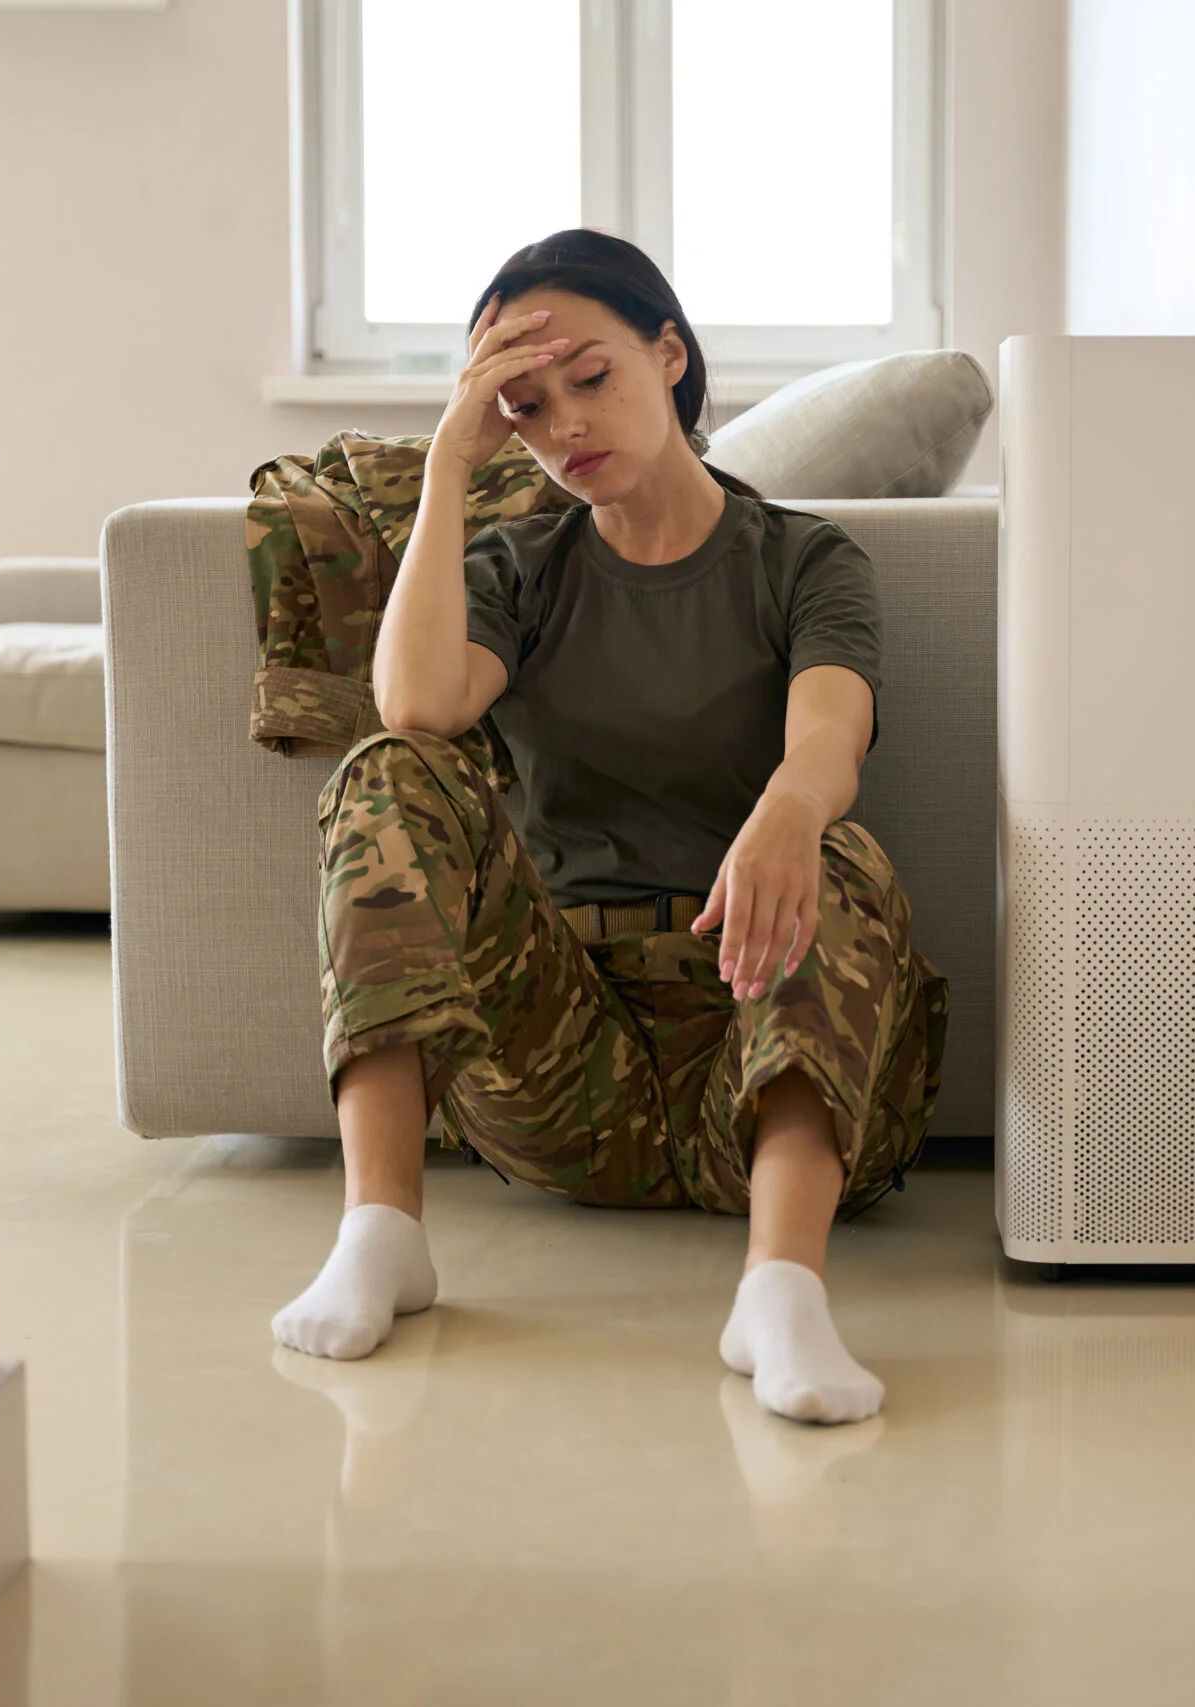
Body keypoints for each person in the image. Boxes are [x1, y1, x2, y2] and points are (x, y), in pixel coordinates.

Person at [270, 230, 945, 1426]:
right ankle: (382, 1232)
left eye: (594, 377)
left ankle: (781, 1290)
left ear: (669, 354)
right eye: (527, 405)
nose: (567, 421)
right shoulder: (517, 564)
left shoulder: (803, 559)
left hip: (763, 1043)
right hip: (564, 1072)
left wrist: (787, 808)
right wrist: (446, 468)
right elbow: (418, 707)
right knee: (389, 772)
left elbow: (827, 742)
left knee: (828, 838)